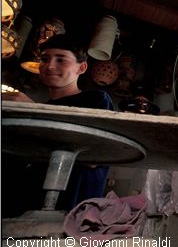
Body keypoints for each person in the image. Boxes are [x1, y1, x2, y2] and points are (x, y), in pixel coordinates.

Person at [2, 33, 114, 215]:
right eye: (45, 59)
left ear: (82, 67)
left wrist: (34, 112)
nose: (50, 65)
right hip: (17, 211)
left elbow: (94, 158)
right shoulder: (41, 107)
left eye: (61, 60)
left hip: (66, 216)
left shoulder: (95, 100)